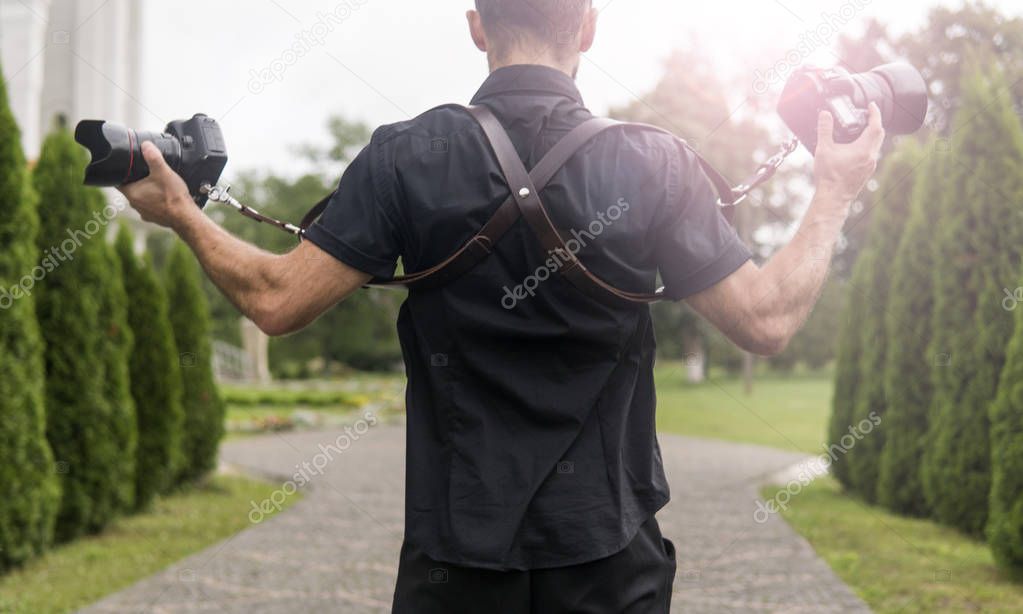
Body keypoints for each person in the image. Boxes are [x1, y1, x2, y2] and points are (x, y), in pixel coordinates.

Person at [119, 2, 885, 612]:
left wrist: (183, 212)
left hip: (456, 562)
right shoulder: (652, 162)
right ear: (587, 24)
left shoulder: (403, 156)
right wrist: (834, 191)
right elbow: (767, 320)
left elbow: (276, 301)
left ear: (477, 26)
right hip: (609, 556)